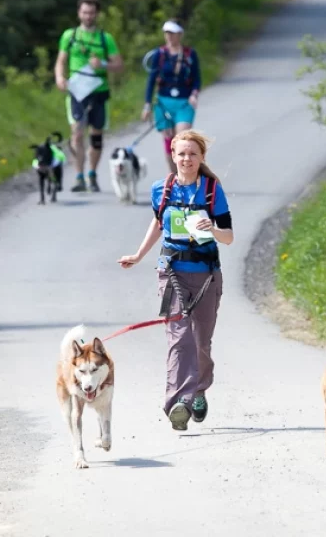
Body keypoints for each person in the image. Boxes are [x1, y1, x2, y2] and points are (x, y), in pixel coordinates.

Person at [118, 130, 233, 431]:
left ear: (202, 157)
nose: (187, 159)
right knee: (179, 337)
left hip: (206, 275)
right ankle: (178, 402)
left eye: (193, 154)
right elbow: (158, 223)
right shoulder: (162, 189)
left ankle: (199, 390)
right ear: (173, 155)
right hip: (170, 272)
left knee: (201, 341)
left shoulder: (211, 190)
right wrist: (139, 255)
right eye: (181, 153)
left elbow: (229, 237)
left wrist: (212, 229)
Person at [54, 0, 124, 193]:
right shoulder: (70, 36)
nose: (88, 16)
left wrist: (102, 64)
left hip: (99, 91)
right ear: (79, 13)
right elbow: (61, 60)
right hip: (77, 91)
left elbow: (119, 65)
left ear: (97, 14)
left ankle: (92, 174)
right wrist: (59, 77)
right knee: (77, 134)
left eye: (91, 13)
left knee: (96, 135)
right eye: (85, 12)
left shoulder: (105, 38)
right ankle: (79, 176)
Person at [141, 19, 202, 174]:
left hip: (184, 102)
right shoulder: (159, 54)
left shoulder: (190, 54)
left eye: (172, 33)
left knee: (182, 139)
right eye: (167, 33)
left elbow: (197, 79)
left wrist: (194, 94)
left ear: (180, 34)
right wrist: (147, 104)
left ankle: (185, 175)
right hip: (163, 103)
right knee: (169, 142)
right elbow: (151, 80)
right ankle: (174, 176)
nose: (169, 36)